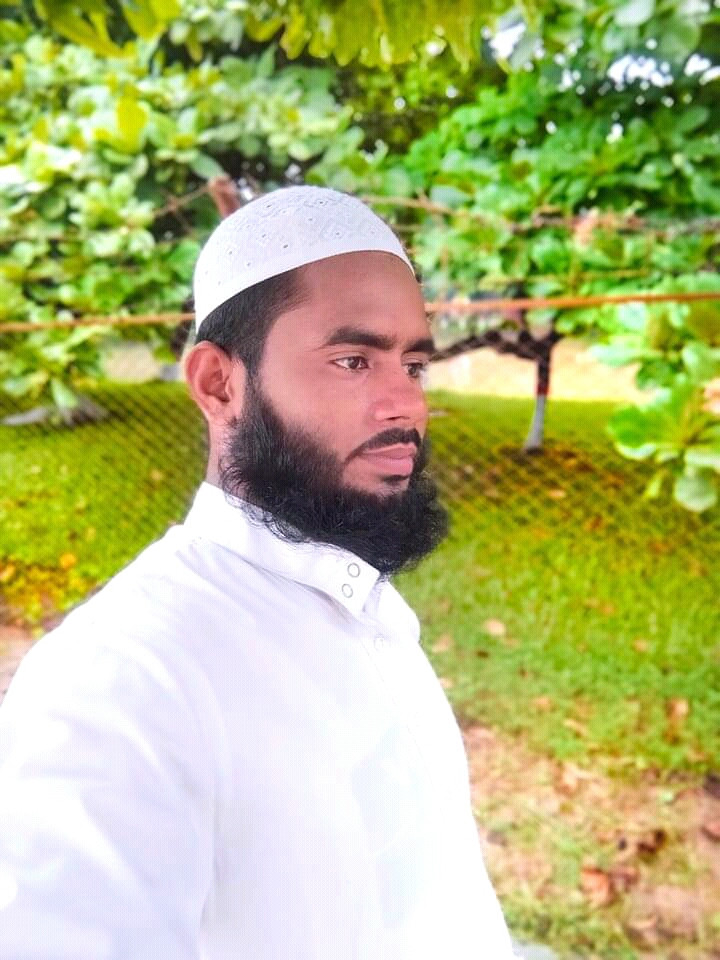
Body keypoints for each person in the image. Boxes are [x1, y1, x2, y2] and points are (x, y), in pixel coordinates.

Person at [0, 186, 515, 959]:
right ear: (219, 384)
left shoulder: (358, 605)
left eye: (413, 364)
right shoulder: (125, 677)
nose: (405, 405)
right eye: (353, 361)